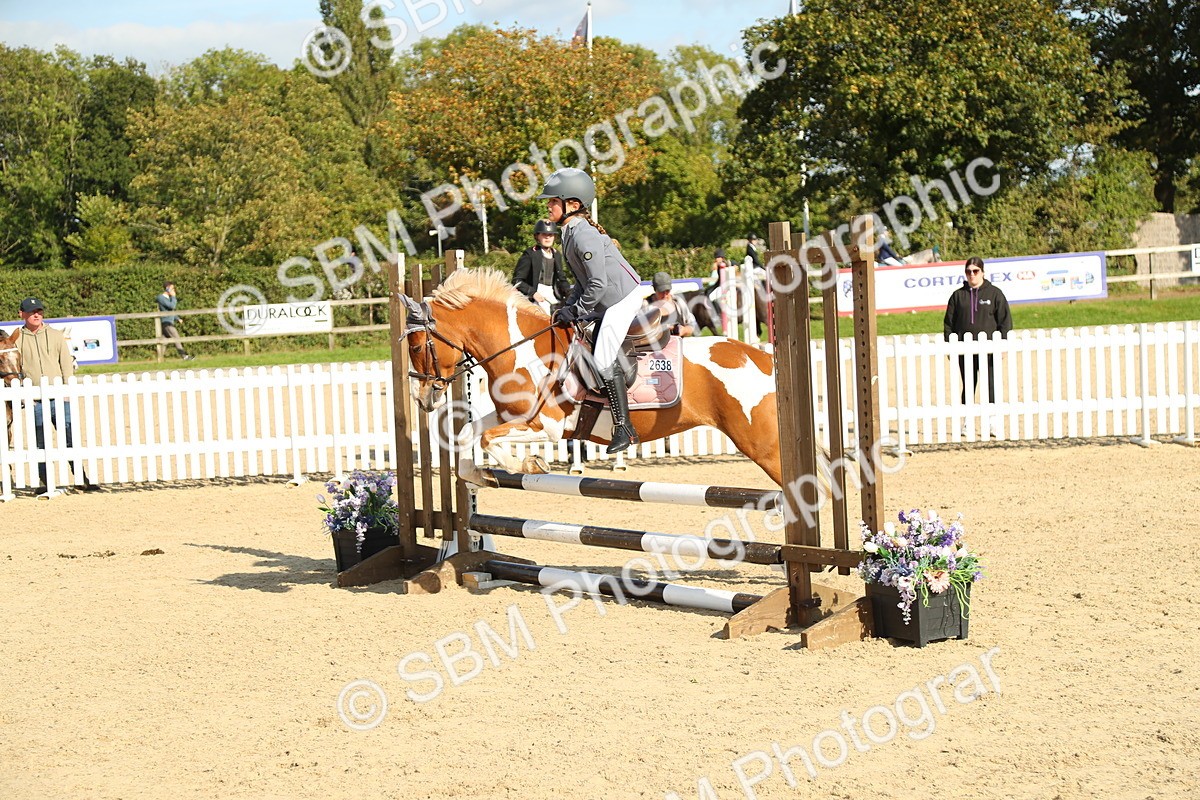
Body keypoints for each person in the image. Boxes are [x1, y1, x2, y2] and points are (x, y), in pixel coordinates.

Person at [539, 167, 643, 454]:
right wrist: (568, 307)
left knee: (604, 356)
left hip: (622, 298)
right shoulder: (569, 233)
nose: (548, 206)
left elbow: (598, 283)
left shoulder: (583, 235)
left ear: (572, 205)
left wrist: (579, 309)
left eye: (553, 201)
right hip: (606, 297)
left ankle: (624, 428)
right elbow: (582, 283)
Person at [15, 297, 100, 492]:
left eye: (39, 311)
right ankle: (45, 483)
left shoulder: (55, 335)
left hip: (59, 396)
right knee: (40, 442)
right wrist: (24, 396)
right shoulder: (17, 338)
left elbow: (66, 364)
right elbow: (16, 368)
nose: (37, 315)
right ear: (22, 314)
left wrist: (67, 391)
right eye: (31, 312)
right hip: (35, 399)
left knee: (70, 438)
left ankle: (81, 478)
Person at [944, 257, 1012, 433]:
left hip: (989, 349)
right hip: (965, 350)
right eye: (968, 271)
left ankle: (992, 421)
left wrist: (1003, 344)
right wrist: (950, 345)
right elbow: (949, 323)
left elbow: (1005, 321)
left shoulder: (995, 294)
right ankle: (968, 421)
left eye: (975, 271)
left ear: (982, 272)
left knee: (991, 384)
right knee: (968, 384)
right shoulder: (958, 296)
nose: (972, 275)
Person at [511, 219, 572, 314]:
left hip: (553, 294)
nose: (547, 238)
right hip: (534, 296)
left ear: (554, 237)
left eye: (550, 235)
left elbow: (561, 279)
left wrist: (570, 292)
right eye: (544, 235)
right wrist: (532, 293)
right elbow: (517, 280)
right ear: (537, 236)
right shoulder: (530, 254)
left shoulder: (557, 254)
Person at [645, 272, 696, 337]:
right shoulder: (646, 306)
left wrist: (683, 330)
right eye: (661, 291)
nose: (665, 294)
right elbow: (637, 331)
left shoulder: (678, 302)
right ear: (655, 289)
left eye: (667, 290)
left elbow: (692, 324)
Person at [156, 281, 194, 360]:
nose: (174, 291)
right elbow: (172, 306)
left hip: (169, 322)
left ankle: (159, 358)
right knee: (176, 338)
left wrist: (177, 318)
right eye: (172, 289)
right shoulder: (161, 298)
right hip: (167, 323)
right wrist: (173, 297)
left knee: (164, 341)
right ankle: (185, 356)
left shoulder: (168, 298)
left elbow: (170, 311)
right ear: (168, 289)